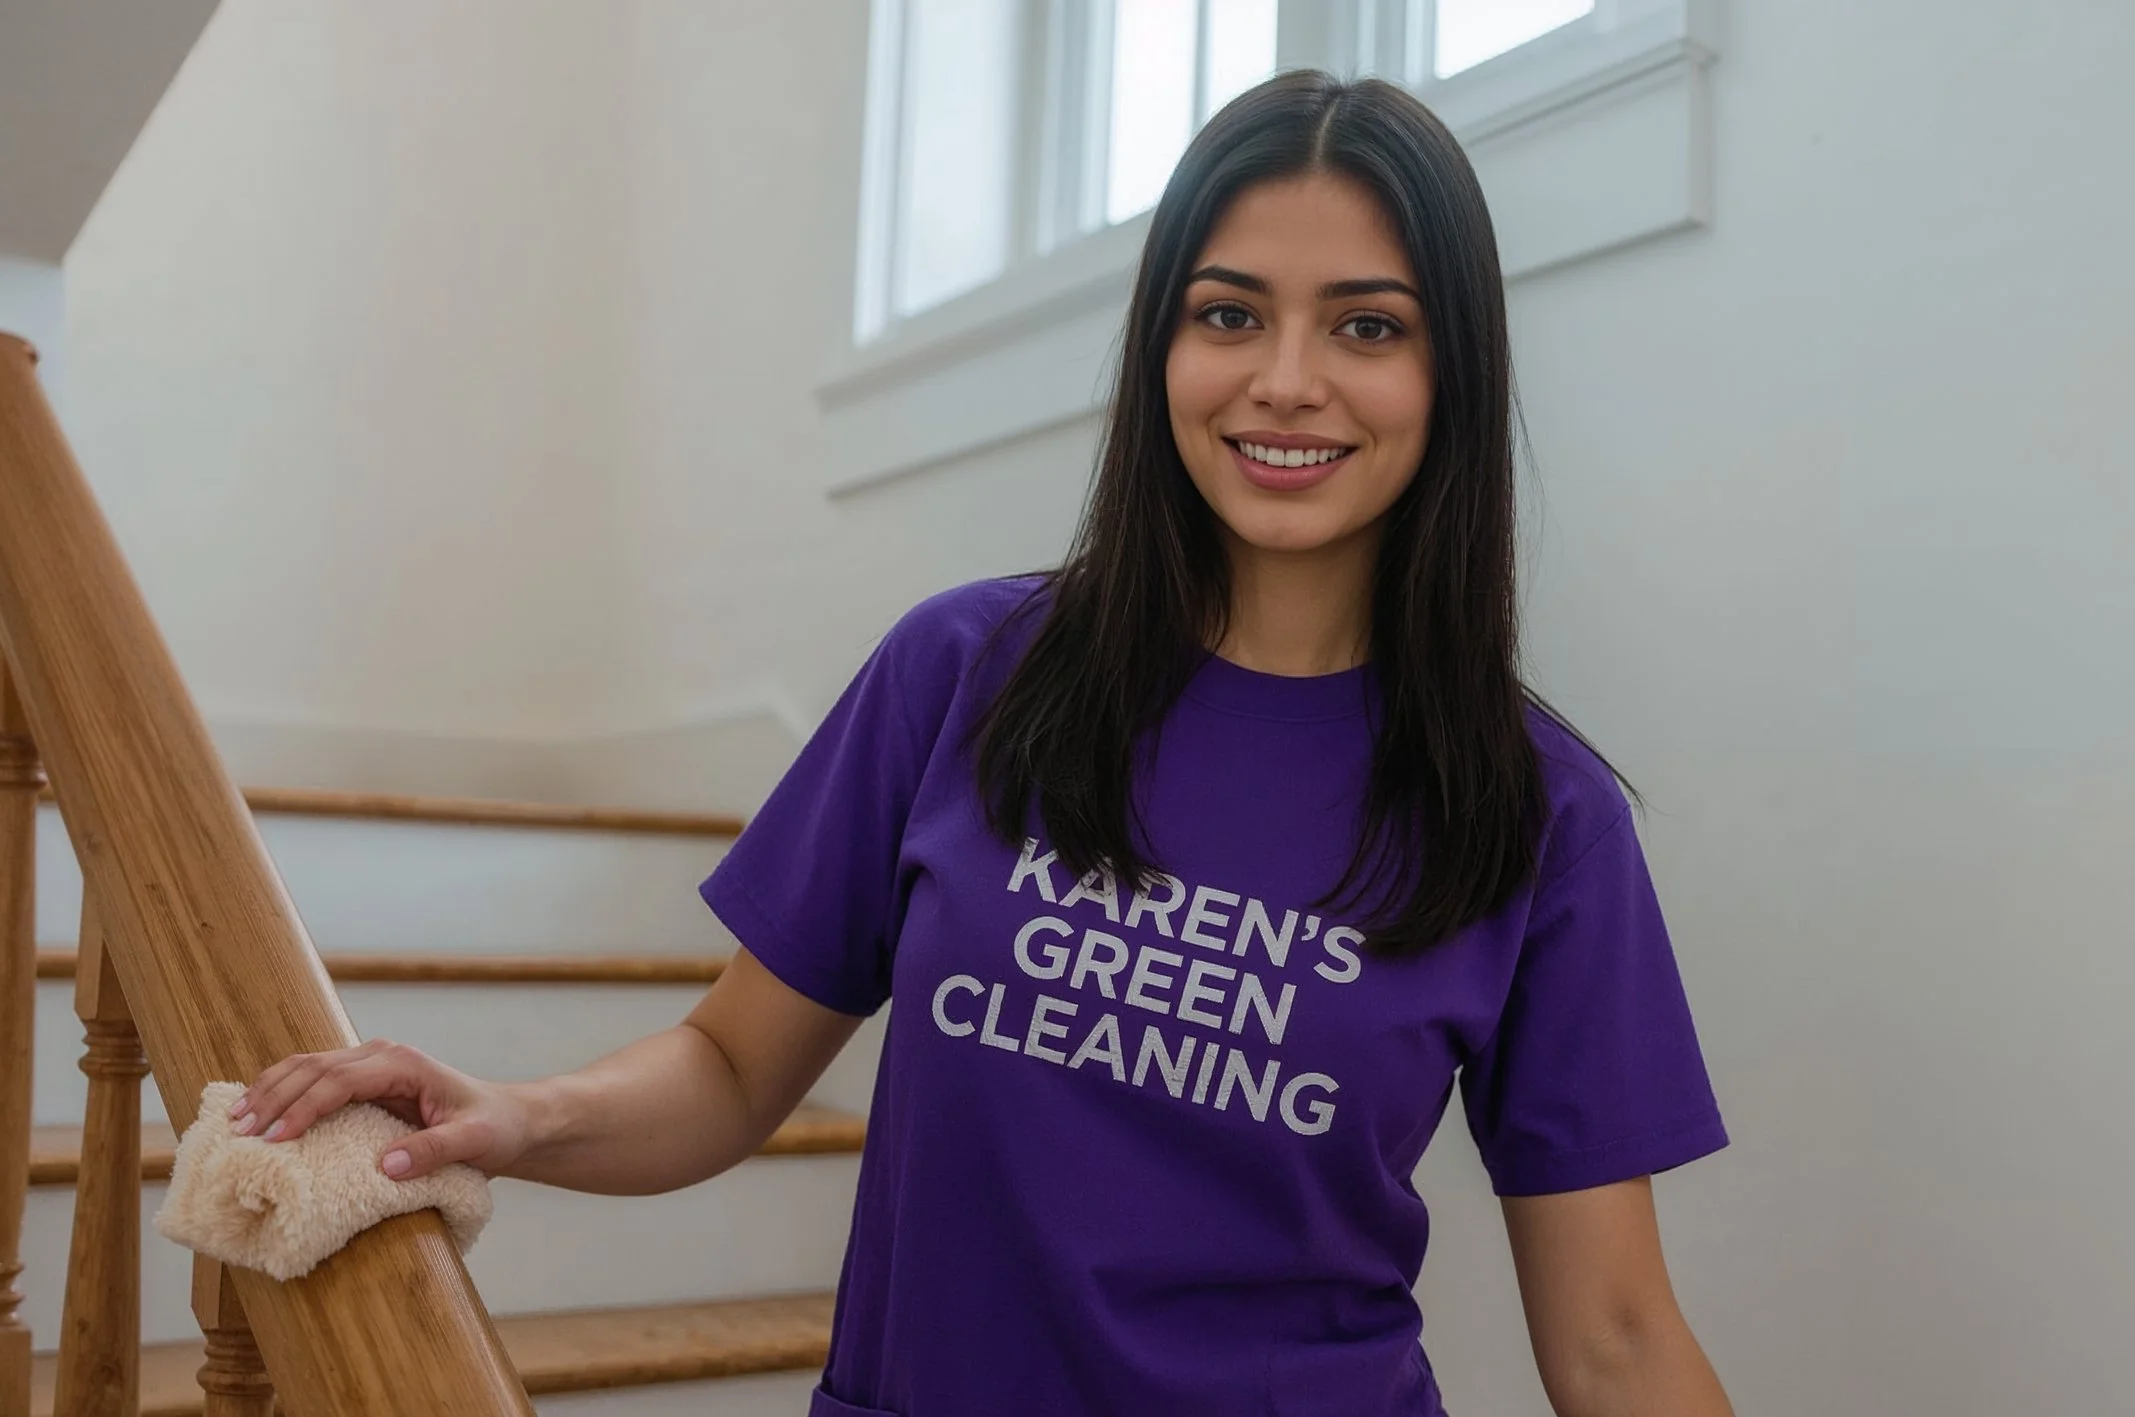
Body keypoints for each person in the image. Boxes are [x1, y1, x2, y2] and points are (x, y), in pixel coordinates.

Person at [228, 69, 1733, 1417]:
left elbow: (1610, 1338)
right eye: (1228, 314)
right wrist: (515, 1116)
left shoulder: (1540, 816)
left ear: (1447, 373)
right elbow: (733, 1067)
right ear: (1162, 351)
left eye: (1366, 325)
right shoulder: (967, 673)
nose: (1286, 379)